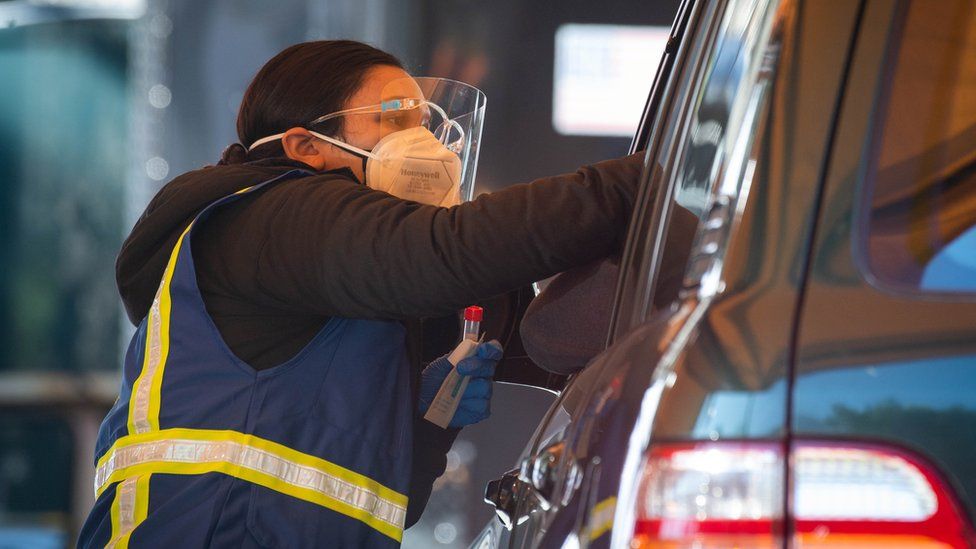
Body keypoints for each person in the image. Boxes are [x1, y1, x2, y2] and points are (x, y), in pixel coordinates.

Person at [78, 40, 644, 548]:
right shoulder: (266, 216)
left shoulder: (359, 286)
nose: (425, 143)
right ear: (305, 146)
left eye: (430, 122)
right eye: (395, 119)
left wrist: (422, 427)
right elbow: (441, 253)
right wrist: (638, 184)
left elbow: (389, 505)